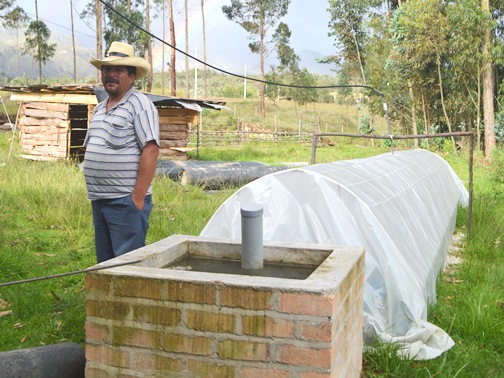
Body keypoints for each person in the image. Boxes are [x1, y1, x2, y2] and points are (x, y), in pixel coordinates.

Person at [84, 41, 160, 263]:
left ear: (132, 75)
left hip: (125, 202)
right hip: (100, 201)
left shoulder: (140, 105)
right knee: (106, 264)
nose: (110, 74)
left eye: (118, 70)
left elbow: (151, 149)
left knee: (127, 265)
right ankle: (108, 299)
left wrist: (137, 197)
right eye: (107, 69)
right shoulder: (100, 108)